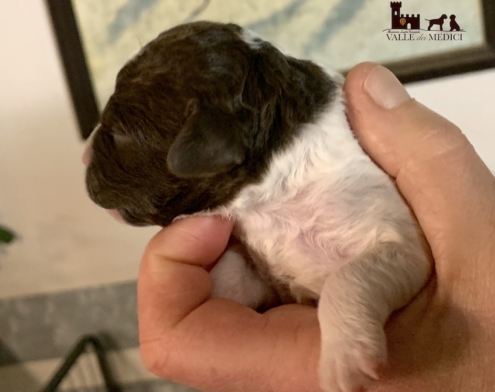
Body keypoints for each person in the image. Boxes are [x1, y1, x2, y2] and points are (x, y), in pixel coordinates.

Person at [136, 63, 495, 392]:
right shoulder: (251, 204)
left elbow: (405, 254)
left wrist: (347, 306)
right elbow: (264, 275)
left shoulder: (343, 167)